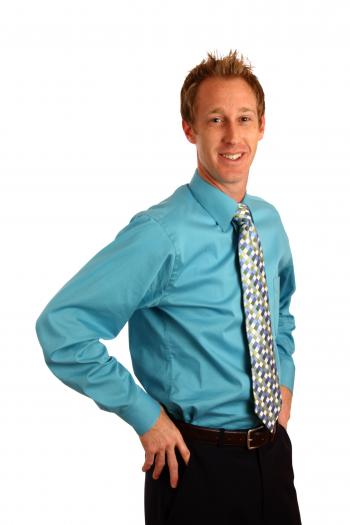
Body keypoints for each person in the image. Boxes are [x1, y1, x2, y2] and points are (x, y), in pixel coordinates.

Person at [35, 49, 302, 524]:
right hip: (195, 466)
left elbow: (280, 309)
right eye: (215, 119)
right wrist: (145, 415)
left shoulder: (268, 221)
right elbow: (62, 327)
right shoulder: (161, 234)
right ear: (189, 129)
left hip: (273, 457)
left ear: (263, 126)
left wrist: (282, 380)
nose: (232, 135)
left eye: (244, 118)